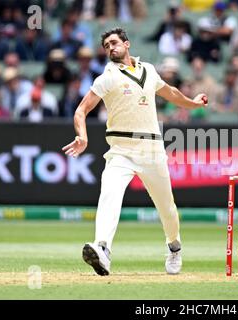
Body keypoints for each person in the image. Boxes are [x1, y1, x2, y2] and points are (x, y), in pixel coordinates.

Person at [62, 28, 208, 276]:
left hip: (151, 150)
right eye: (106, 45)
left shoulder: (149, 70)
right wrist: (82, 135)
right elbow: (80, 111)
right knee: (109, 194)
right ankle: (103, 250)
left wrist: (192, 103)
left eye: (114, 43)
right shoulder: (106, 77)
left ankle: (174, 248)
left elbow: (170, 92)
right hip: (120, 151)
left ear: (127, 44)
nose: (110, 47)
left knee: (167, 208)